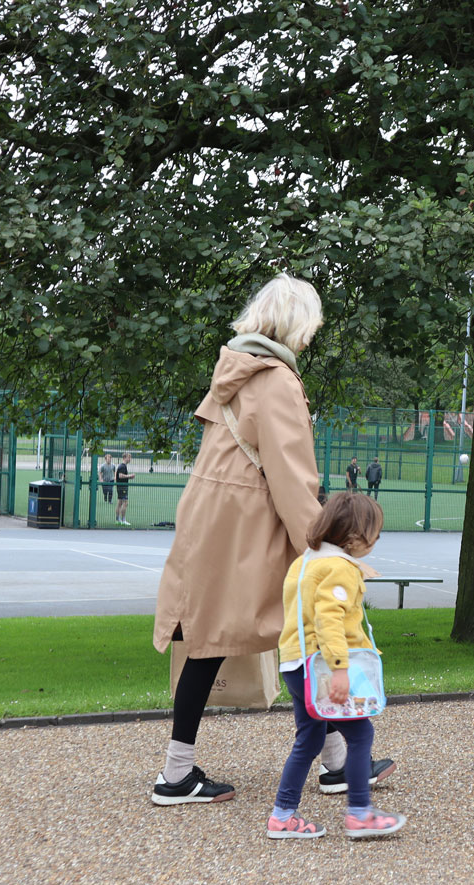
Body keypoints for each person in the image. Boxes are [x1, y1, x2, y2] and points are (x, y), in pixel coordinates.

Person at [149, 273, 327, 807]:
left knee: (209, 637)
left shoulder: (235, 370)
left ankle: (179, 770)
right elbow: (292, 473)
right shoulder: (276, 380)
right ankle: (339, 761)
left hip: (216, 519)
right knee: (311, 625)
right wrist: (321, 544)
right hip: (246, 525)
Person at [267, 492, 406, 839]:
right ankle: (360, 813)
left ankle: (283, 815)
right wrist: (340, 668)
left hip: (296, 663)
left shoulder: (306, 561)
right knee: (361, 734)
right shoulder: (339, 568)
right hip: (323, 667)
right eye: (375, 533)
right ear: (355, 537)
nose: (376, 540)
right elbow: (329, 618)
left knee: (309, 740)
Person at [115, 452, 135, 525]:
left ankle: (118, 519)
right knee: (125, 503)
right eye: (128, 457)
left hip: (120, 486)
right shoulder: (122, 466)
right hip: (122, 486)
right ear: (124, 458)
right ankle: (123, 520)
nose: (130, 459)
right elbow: (120, 476)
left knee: (120, 502)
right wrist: (130, 476)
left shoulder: (122, 466)